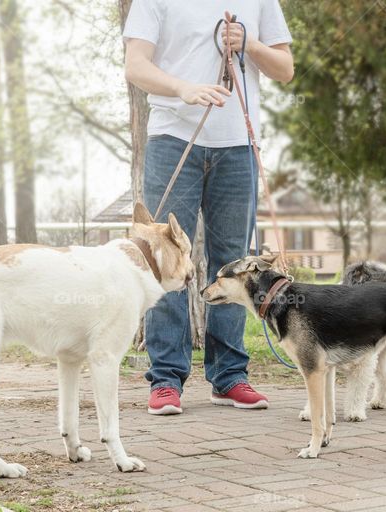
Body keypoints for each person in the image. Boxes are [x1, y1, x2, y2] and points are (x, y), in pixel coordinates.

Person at [123, 1, 294, 415]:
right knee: (163, 258)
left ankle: (230, 376)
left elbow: (285, 69)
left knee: (235, 262)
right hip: (172, 139)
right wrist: (183, 88)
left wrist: (249, 43)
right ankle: (165, 379)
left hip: (237, 145)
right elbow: (135, 65)